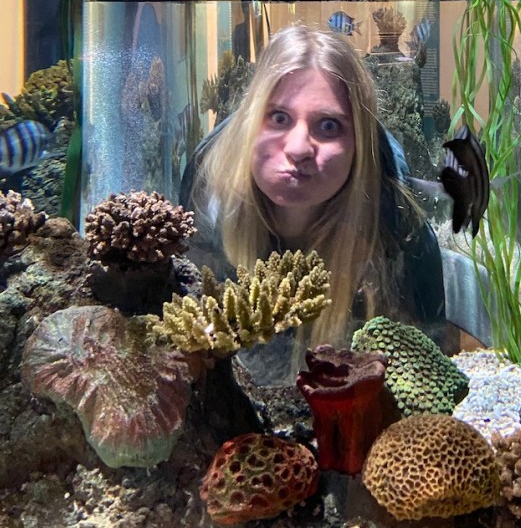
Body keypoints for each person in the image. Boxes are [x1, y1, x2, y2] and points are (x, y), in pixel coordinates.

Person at [179, 23, 447, 381]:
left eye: (328, 126)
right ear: (249, 124)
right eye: (279, 118)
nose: (299, 148)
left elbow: (427, 363)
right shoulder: (204, 199)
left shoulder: (400, 229)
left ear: (359, 145)